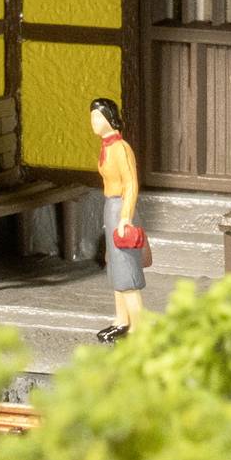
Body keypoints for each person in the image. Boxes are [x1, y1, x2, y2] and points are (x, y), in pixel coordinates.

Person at [93, 98, 146, 342]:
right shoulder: (107, 148)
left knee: (126, 269)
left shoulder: (121, 148)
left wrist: (125, 217)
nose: (93, 122)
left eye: (97, 117)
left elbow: (131, 183)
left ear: (109, 119)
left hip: (121, 207)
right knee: (114, 266)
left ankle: (138, 325)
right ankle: (121, 318)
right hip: (110, 207)